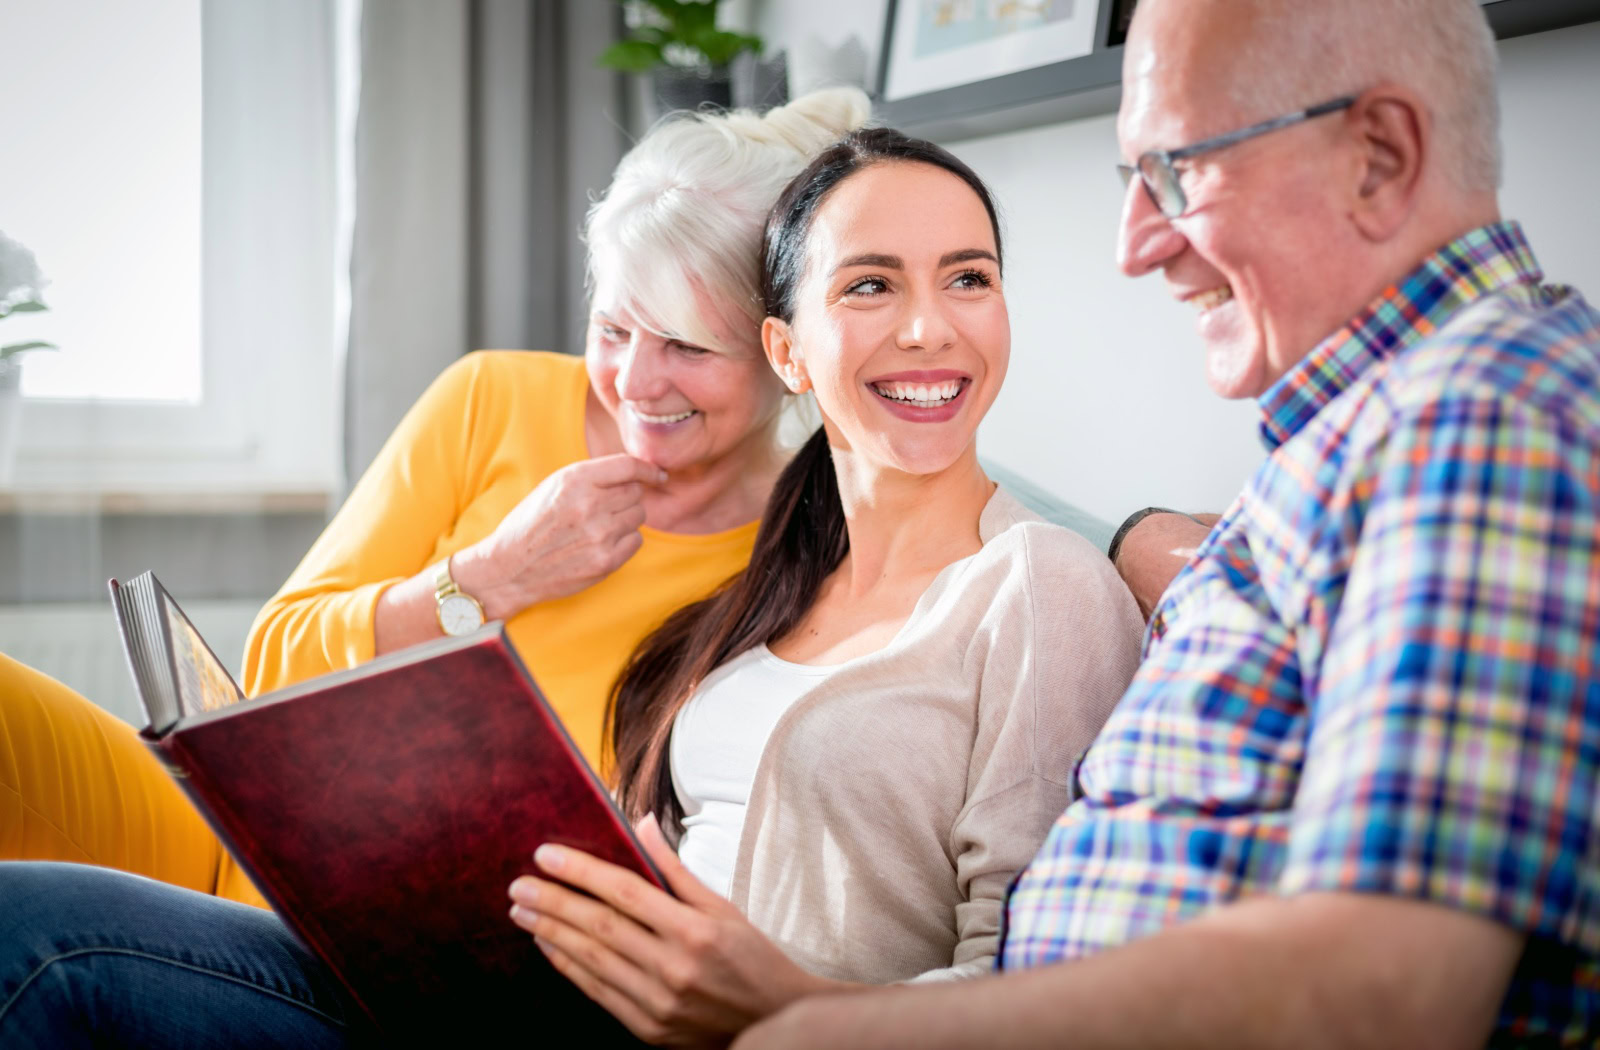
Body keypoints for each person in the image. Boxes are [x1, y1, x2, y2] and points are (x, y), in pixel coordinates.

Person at [0, 127, 1146, 1048]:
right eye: (871, 285)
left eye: (968, 278)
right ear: (796, 347)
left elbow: (1037, 985)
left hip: (547, 993)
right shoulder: (784, 587)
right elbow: (273, 664)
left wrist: (784, 1005)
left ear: (766, 367)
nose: (926, 325)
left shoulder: (1010, 579)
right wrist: (487, 578)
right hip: (408, 925)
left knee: (36, 938)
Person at [734, 1, 1600, 1048]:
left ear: (1377, 156)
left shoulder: (1481, 419)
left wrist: (820, 1030)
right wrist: (1133, 533)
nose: (1135, 247)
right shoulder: (1375, 440)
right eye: (1131, 184)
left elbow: (1385, 992)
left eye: (1178, 175)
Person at [0, 88, 870, 910]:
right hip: (234, 836)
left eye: (685, 345)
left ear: (784, 349)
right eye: (612, 329)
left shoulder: (801, 557)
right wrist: (486, 580)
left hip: (370, 930)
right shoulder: (492, 397)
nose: (635, 381)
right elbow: (271, 669)